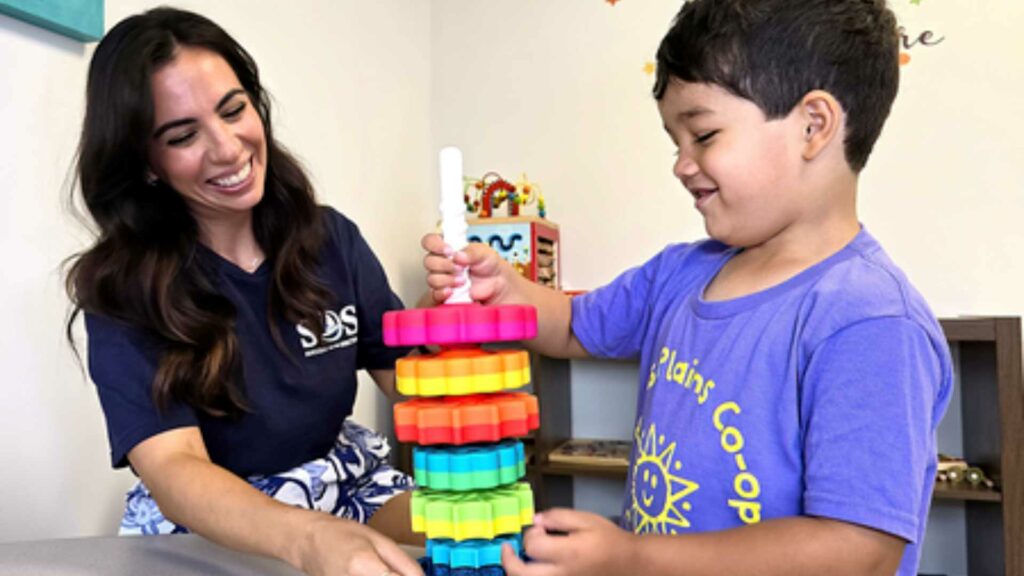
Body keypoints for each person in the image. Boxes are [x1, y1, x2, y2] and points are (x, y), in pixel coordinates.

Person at [422, 1, 952, 574]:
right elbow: (573, 326)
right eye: (677, 142)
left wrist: (635, 558)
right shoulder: (679, 273)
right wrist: (503, 291)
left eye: (703, 134)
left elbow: (858, 553)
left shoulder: (870, 321)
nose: (681, 164)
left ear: (813, 125)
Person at [65, 7, 423, 576]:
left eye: (234, 110)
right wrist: (311, 539)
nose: (229, 148)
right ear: (147, 163)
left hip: (341, 476)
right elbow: (177, 468)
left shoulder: (330, 238)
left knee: (490, 540)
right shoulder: (121, 291)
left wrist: (464, 332)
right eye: (183, 136)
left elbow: (414, 385)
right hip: (213, 517)